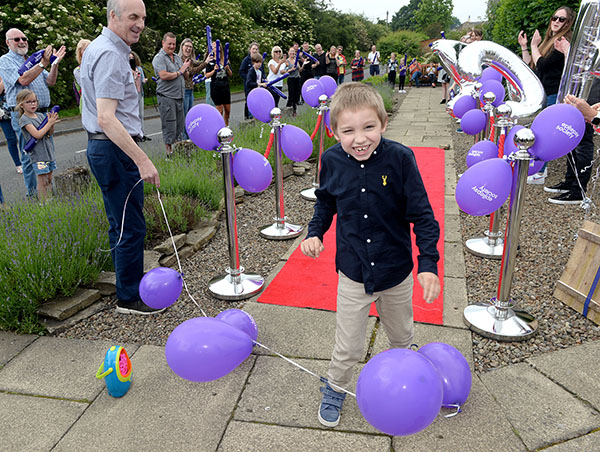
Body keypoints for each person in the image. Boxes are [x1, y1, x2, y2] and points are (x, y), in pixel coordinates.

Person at [300, 82, 440, 428]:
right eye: (348, 131)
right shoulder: (331, 161)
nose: (359, 138)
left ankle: (406, 385)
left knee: (402, 338)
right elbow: (325, 201)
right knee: (347, 346)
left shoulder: (400, 159)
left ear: (383, 123)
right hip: (353, 273)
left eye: (368, 127)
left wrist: (428, 264)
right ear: (335, 132)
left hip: (396, 272)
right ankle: (335, 387)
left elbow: (422, 214)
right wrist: (315, 232)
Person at [81, 0, 162, 315]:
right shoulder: (111, 55)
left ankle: (127, 288)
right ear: (113, 16)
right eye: (133, 17)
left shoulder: (101, 47)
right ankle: (129, 298)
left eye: (142, 17)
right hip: (114, 148)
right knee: (131, 227)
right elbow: (106, 118)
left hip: (106, 148)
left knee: (121, 223)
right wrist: (142, 159)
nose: (140, 23)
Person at [0, 28, 66, 198]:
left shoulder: (32, 60)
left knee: (47, 153)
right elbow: (23, 80)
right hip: (24, 115)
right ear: (8, 43)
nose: (22, 41)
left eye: (24, 38)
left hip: (43, 113)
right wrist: (43, 63)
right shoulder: (5, 60)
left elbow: (50, 81)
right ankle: (33, 195)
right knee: (31, 156)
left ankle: (47, 192)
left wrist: (54, 64)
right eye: (16, 39)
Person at [518, 6, 574, 185]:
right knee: (537, 131)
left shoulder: (562, 41)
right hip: (543, 93)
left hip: (552, 93)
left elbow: (542, 64)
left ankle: (541, 171)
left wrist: (534, 46)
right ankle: (538, 169)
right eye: (554, 18)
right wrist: (526, 47)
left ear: (568, 22)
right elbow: (532, 66)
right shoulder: (550, 42)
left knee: (544, 133)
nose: (556, 22)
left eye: (561, 19)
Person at [546, 87, 600, 204]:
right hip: (585, 100)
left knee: (583, 144)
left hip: (590, 99)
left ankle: (577, 190)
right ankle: (570, 183)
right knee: (573, 141)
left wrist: (594, 115)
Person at [152, 31, 190, 156]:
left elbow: (186, 74)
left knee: (180, 126)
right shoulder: (159, 58)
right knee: (170, 126)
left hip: (179, 96)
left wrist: (185, 69)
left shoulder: (177, 57)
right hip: (167, 97)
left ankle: (179, 151)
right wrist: (180, 72)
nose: (172, 47)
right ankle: (169, 154)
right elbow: (163, 75)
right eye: (169, 44)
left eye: (174, 44)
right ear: (163, 43)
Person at [17, 89, 58, 201]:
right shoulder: (24, 120)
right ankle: (43, 202)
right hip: (38, 155)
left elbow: (49, 133)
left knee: (49, 178)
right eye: (29, 102)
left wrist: (51, 124)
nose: (33, 104)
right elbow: (37, 134)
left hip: (48, 152)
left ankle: (50, 199)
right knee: (42, 179)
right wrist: (49, 123)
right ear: (21, 105)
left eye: (34, 101)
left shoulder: (40, 115)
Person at [178, 38, 207, 119]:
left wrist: (208, 53)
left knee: (190, 116)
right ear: (182, 47)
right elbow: (193, 71)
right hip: (183, 91)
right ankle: (183, 132)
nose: (188, 48)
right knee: (185, 116)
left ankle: (187, 132)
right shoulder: (180, 60)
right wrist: (206, 62)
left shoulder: (190, 60)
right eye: (186, 46)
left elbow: (200, 63)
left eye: (190, 47)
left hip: (190, 90)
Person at [206, 41, 233, 125]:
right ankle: (219, 126)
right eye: (214, 47)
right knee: (220, 110)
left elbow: (231, 74)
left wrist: (227, 68)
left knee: (227, 110)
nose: (216, 49)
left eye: (218, 47)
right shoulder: (210, 61)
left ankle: (226, 125)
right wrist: (214, 70)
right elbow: (207, 75)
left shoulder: (225, 60)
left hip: (225, 86)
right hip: (215, 87)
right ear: (211, 49)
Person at [0, 75, 21, 174]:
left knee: (23, 135)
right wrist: (4, 80)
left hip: (16, 108)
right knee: (11, 139)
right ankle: (18, 164)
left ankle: (28, 161)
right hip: (3, 113)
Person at [129, 50, 150, 140]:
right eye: (129, 58)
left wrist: (144, 80)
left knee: (141, 114)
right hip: (131, 95)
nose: (131, 59)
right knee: (134, 115)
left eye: (132, 58)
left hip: (139, 93)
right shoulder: (126, 69)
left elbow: (141, 79)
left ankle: (142, 133)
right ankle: (134, 134)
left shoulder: (139, 69)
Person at [240, 42, 260, 120]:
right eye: (253, 49)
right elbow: (241, 71)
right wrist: (248, 78)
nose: (255, 50)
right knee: (249, 100)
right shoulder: (246, 60)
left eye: (256, 49)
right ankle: (247, 116)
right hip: (249, 84)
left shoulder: (259, 60)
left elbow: (262, 72)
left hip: (257, 84)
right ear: (250, 50)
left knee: (256, 101)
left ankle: (255, 115)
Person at [73, 39, 91, 112]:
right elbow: (87, 85)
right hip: (87, 104)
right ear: (80, 52)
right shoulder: (78, 70)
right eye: (85, 49)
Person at [285, 47, 301, 116]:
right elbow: (285, 71)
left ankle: (294, 110)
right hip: (291, 79)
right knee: (291, 95)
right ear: (288, 53)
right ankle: (288, 108)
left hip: (297, 78)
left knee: (297, 95)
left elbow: (299, 69)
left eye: (293, 51)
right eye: (291, 51)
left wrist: (304, 64)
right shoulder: (287, 61)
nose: (292, 53)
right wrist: (291, 69)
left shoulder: (296, 60)